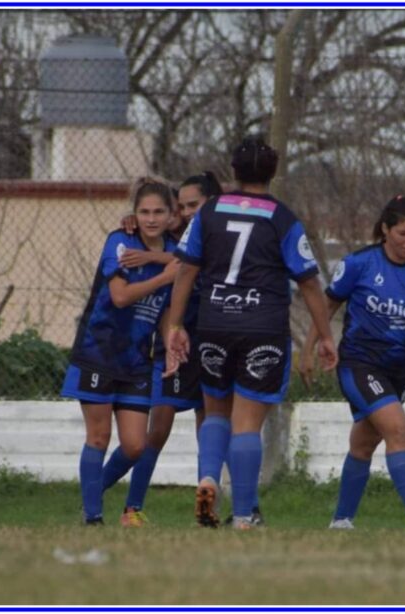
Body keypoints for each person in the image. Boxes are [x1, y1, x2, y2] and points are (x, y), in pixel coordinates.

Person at [166, 137, 337, 530]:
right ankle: (244, 515)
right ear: (273, 172)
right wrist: (325, 336)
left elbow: (186, 271)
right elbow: (309, 283)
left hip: (214, 324)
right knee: (247, 424)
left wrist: (176, 325)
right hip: (262, 328)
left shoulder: (208, 213)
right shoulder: (283, 218)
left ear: (234, 171)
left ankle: (208, 477)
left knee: (215, 413)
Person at [299, 195, 405, 530]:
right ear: (385, 229)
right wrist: (309, 349)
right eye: (403, 234)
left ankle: (341, 521)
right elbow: (326, 306)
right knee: (399, 430)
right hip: (359, 364)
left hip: (397, 370)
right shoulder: (359, 264)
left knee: (364, 443)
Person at [103, 172, 226, 527]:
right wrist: (141, 241)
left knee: (211, 425)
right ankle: (123, 504)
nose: (186, 213)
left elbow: (178, 264)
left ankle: (207, 504)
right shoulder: (172, 236)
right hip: (175, 341)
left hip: (213, 339)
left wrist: (149, 259)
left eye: (193, 206)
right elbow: (171, 256)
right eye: (182, 207)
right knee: (158, 429)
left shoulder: (218, 234)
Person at [61, 177, 179, 525]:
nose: (151, 218)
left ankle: (90, 495)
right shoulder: (120, 241)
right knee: (98, 436)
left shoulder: (175, 251)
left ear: (172, 216)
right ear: (135, 214)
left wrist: (170, 342)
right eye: (144, 211)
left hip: (137, 360)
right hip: (99, 351)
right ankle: (93, 517)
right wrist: (165, 276)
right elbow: (120, 296)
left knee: (134, 446)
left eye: (159, 211)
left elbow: (166, 310)